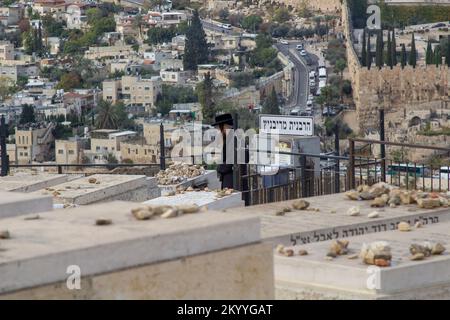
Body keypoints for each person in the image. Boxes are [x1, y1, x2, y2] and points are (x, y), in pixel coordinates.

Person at [212, 113, 234, 189]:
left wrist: (218, 167)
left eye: (219, 128)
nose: (219, 131)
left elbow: (228, 164)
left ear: (224, 126)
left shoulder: (233, 139)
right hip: (228, 177)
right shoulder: (228, 137)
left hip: (232, 179)